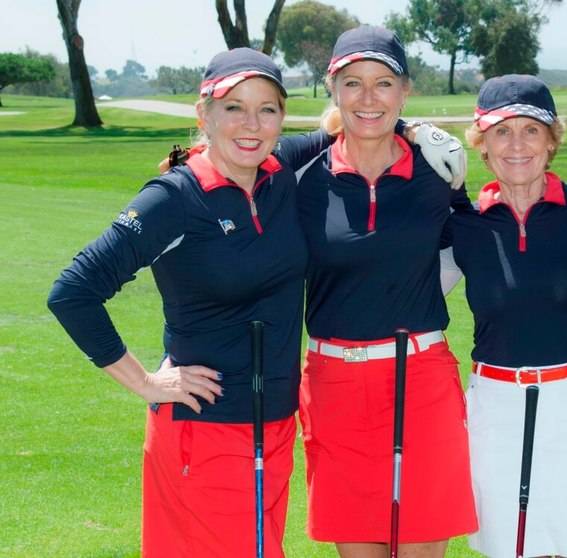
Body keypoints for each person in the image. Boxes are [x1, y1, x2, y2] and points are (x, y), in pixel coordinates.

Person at [47, 47, 464, 558]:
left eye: (266, 109)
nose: (251, 123)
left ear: (281, 119)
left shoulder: (277, 174)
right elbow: (73, 291)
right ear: (204, 114)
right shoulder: (174, 197)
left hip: (273, 424)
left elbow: (363, 119)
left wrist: (417, 129)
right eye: (233, 108)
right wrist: (146, 381)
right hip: (205, 427)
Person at [293, 25, 477, 558]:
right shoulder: (301, 174)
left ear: (405, 91)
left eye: (383, 83)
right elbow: (235, 161)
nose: (368, 98)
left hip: (421, 379)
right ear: (333, 88)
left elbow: (464, 242)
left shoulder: (435, 170)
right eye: (353, 83)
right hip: (334, 384)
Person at [441, 74, 567, 558]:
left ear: (552, 141)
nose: (516, 145)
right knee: (510, 547)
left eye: (531, 130)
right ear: (481, 145)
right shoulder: (463, 223)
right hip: (498, 404)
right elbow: (405, 294)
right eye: (501, 132)